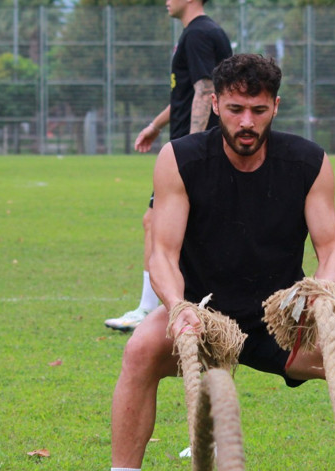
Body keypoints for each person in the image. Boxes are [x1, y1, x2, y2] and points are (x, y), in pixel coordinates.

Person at [84, 54, 335, 471]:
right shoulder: (180, 159)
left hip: (278, 316)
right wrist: (178, 307)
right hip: (203, 313)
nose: (246, 122)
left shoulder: (309, 162)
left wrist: (321, 290)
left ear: (276, 106)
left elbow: (333, 252)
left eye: (258, 109)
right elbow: (162, 254)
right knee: (140, 350)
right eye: (235, 109)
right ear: (216, 104)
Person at [104, 0, 232, 332]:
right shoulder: (206, 31)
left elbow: (205, 90)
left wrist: (191, 148)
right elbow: (187, 95)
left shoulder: (198, 34)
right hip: (200, 147)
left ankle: (150, 310)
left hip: (191, 152)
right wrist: (156, 126)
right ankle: (196, 304)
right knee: (184, 226)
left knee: (156, 222)